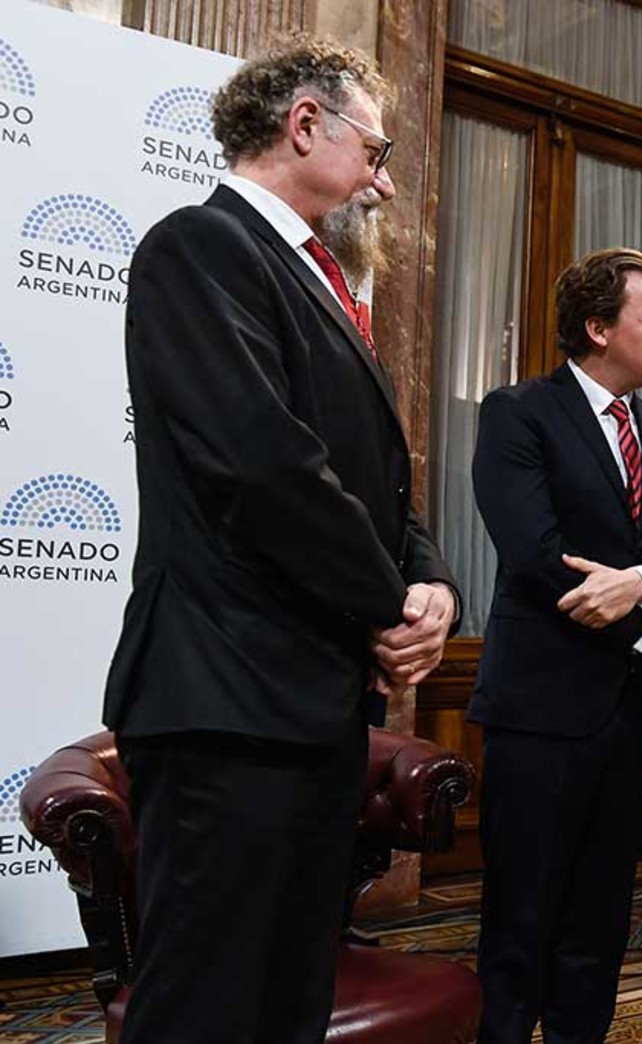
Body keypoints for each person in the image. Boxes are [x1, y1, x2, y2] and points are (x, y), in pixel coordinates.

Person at [101, 40, 459, 1044]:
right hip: (227, 702)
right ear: (305, 125)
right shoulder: (200, 248)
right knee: (207, 1009)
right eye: (376, 151)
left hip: (308, 705)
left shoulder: (320, 282)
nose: (385, 183)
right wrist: (387, 608)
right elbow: (263, 467)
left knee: (289, 1003)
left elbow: (370, 479)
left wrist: (431, 584)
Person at [469, 247, 642, 1043]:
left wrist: (639, 581)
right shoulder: (516, 413)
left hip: (629, 715)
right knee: (520, 919)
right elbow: (535, 558)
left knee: (600, 920)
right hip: (539, 708)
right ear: (596, 327)